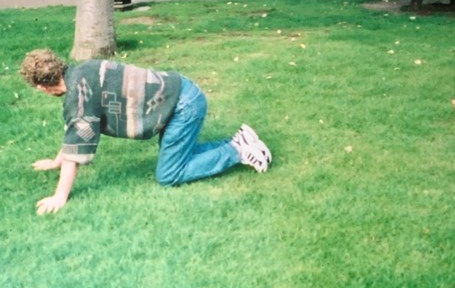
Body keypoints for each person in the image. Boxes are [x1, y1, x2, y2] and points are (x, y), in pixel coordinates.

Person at [20, 49, 272, 215]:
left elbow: (76, 147)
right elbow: (73, 131)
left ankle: (238, 150)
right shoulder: (81, 71)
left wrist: (59, 196)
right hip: (181, 91)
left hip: (182, 106)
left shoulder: (79, 98)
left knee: (170, 174)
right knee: (176, 156)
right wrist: (56, 161)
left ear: (43, 87)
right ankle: (239, 140)